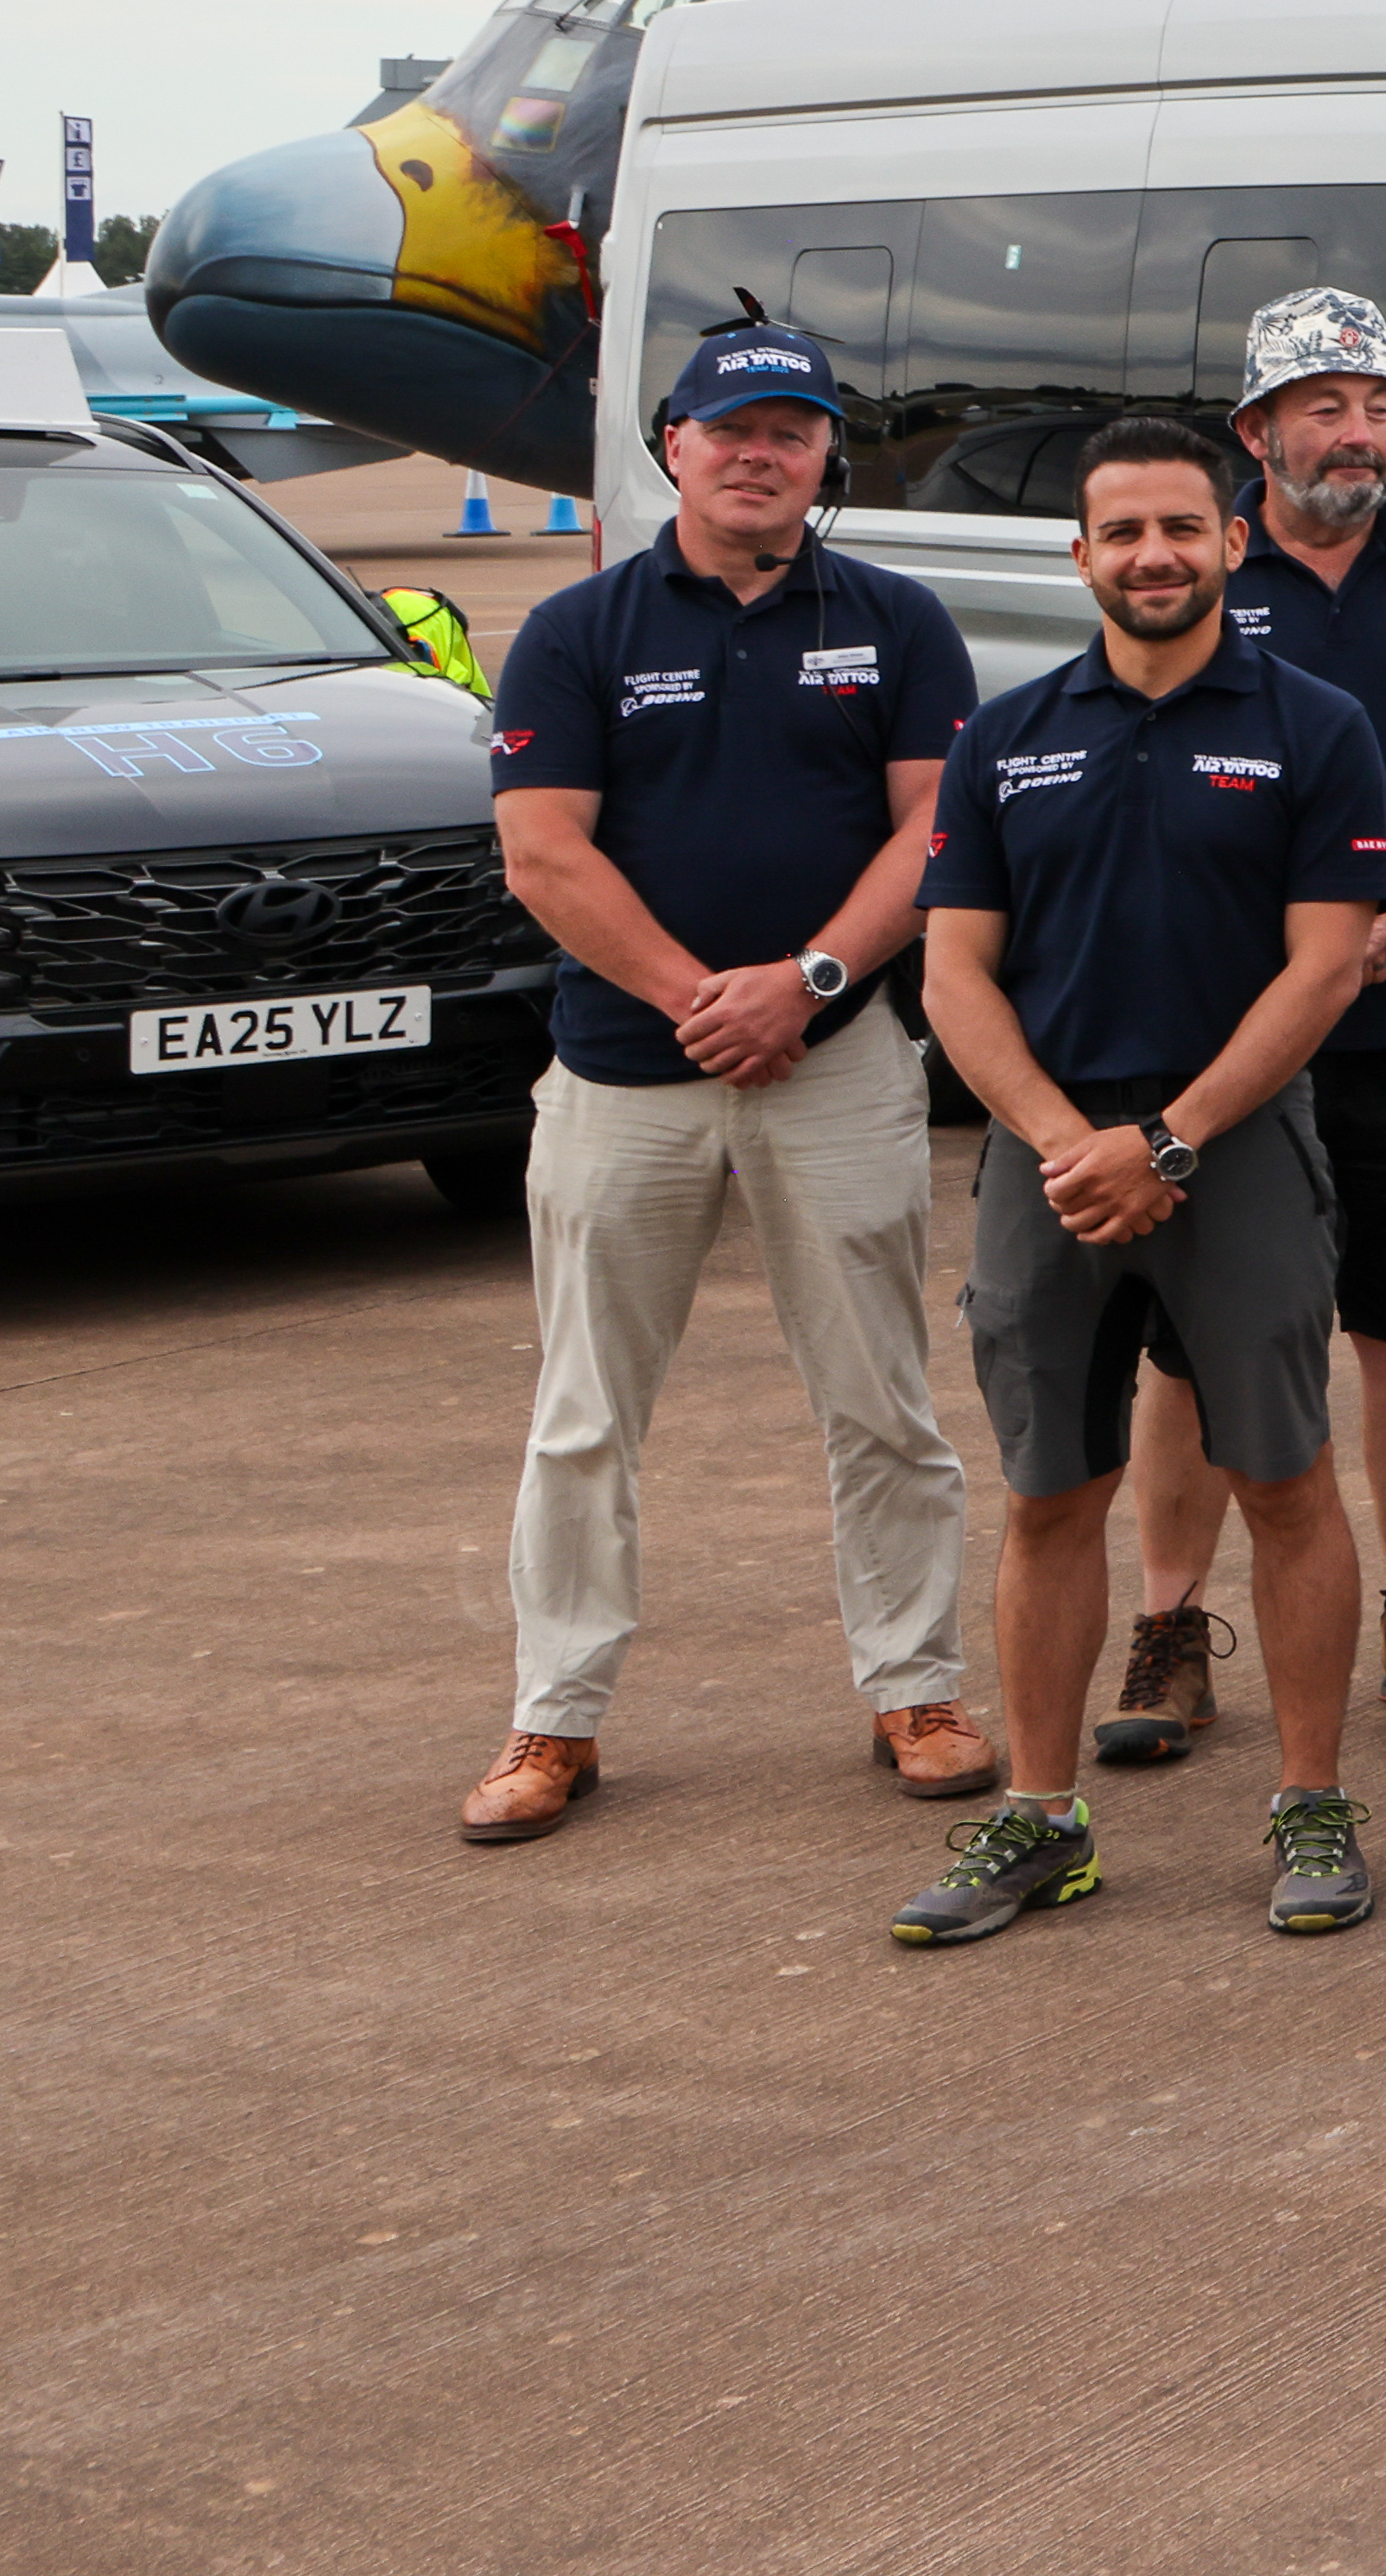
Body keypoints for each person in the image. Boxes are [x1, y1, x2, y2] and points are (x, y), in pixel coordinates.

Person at [458, 318, 986, 1845]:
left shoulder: (895, 621)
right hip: (628, 1069)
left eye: (794, 430)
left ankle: (915, 1686)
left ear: (827, 456)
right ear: (673, 443)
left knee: (883, 1401)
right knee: (582, 1416)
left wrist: (808, 982)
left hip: (838, 1066)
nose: (761, 452)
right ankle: (553, 1717)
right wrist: (700, 997)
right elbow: (542, 849)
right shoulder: (578, 627)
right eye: (732, 427)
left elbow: (931, 834)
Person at [893, 419, 1386, 1946]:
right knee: (1051, 1494)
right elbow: (954, 971)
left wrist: (1170, 1138)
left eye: (1182, 527)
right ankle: (1042, 1820)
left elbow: (1327, 966)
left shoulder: (1318, 727)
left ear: (1232, 539)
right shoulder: (1008, 734)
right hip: (1050, 1160)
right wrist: (1067, 1140)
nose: (1155, 556)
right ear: (1083, 555)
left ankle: (1312, 1802)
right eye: (1123, 534)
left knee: (1285, 1482)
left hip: (1234, 1149)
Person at [1097, 291, 1386, 1769]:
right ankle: (1170, 1628)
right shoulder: (1202, 566)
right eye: (1323, 405)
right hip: (1223, 1046)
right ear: (1257, 433)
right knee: (1191, 1349)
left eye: (1378, 405)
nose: (1356, 431)